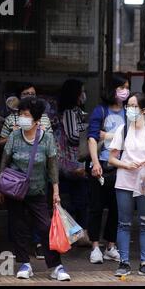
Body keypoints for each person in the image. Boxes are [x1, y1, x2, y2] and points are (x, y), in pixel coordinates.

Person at [0, 97, 70, 281]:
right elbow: (4, 162)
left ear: (37, 120)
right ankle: (24, 264)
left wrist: (56, 192)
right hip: (14, 191)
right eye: (20, 114)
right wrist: (0, 187)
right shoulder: (13, 136)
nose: (22, 118)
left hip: (37, 191)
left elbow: (52, 167)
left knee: (45, 227)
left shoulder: (47, 139)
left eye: (26, 115)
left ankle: (56, 266)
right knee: (18, 227)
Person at [108, 93, 145, 278]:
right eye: (128, 106)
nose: (130, 110)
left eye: (134, 106)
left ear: (144, 110)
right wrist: (125, 164)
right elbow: (111, 159)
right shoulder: (122, 130)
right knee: (124, 222)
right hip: (125, 180)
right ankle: (124, 262)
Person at [86, 74, 129, 264]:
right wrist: (95, 163)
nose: (125, 91)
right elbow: (92, 137)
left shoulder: (129, 112)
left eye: (127, 87)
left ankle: (110, 246)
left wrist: (108, 135)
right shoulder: (100, 110)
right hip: (101, 165)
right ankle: (95, 246)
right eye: (122, 87)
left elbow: (134, 136)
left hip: (121, 167)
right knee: (95, 207)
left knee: (117, 209)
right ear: (112, 89)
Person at [56, 79, 90, 246]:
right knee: (76, 201)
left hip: (72, 162)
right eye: (81, 91)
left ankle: (76, 235)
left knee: (76, 200)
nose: (84, 95)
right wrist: (90, 134)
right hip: (72, 163)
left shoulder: (75, 111)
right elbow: (73, 137)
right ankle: (76, 235)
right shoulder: (70, 112)